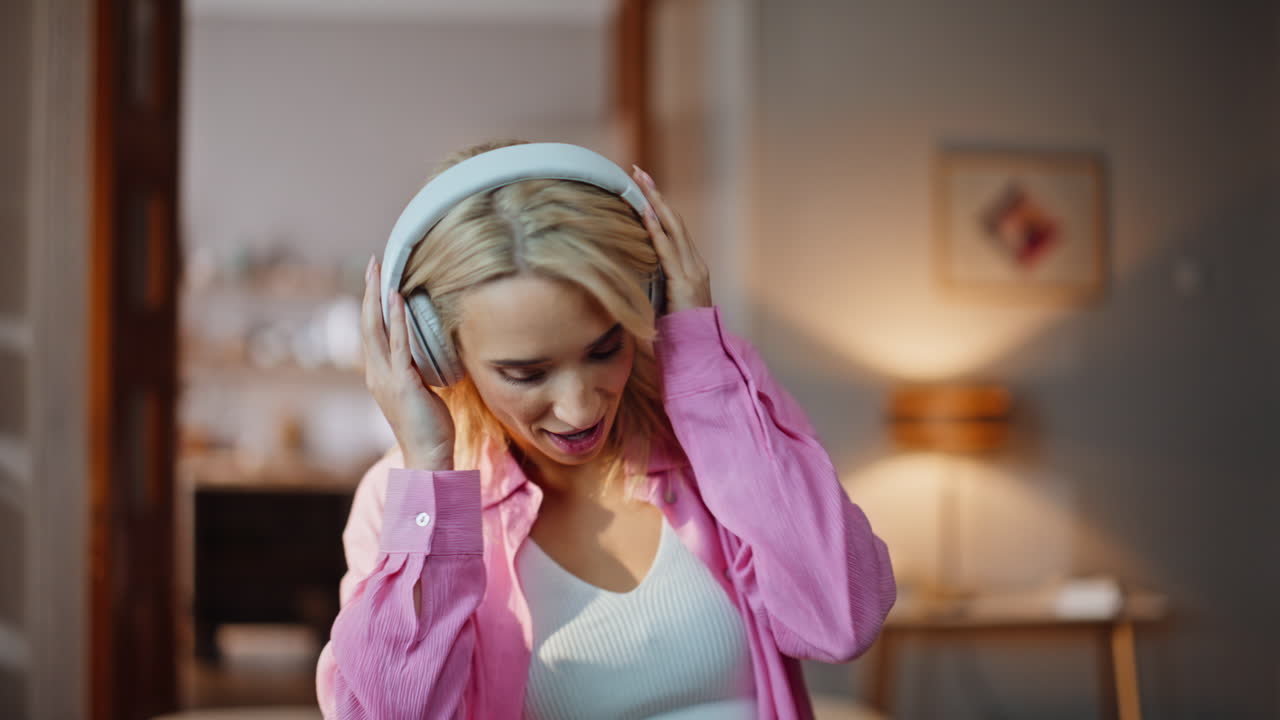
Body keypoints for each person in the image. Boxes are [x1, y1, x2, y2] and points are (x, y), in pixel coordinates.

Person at [314, 139, 896, 719]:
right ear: (439, 355)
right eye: (526, 373)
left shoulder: (723, 424)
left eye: (604, 349)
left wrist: (704, 364)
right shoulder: (403, 498)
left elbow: (843, 622)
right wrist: (430, 471)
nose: (578, 409)